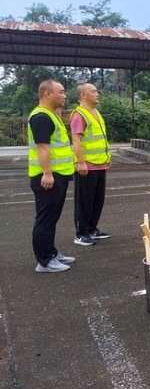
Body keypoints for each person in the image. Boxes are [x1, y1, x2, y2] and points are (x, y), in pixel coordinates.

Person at [28, 80, 76, 272]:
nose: (65, 95)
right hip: (48, 177)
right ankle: (45, 261)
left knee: (51, 218)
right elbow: (42, 147)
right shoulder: (41, 117)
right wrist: (47, 174)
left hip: (58, 175)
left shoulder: (50, 115)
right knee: (45, 219)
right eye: (61, 92)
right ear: (47, 93)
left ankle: (51, 252)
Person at [70, 83, 111, 246]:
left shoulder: (95, 112)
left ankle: (92, 228)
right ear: (83, 95)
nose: (97, 94)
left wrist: (107, 158)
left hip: (100, 163)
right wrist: (81, 162)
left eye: (96, 91)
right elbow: (76, 140)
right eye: (93, 91)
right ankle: (81, 234)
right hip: (87, 165)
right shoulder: (79, 115)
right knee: (84, 200)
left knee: (97, 199)